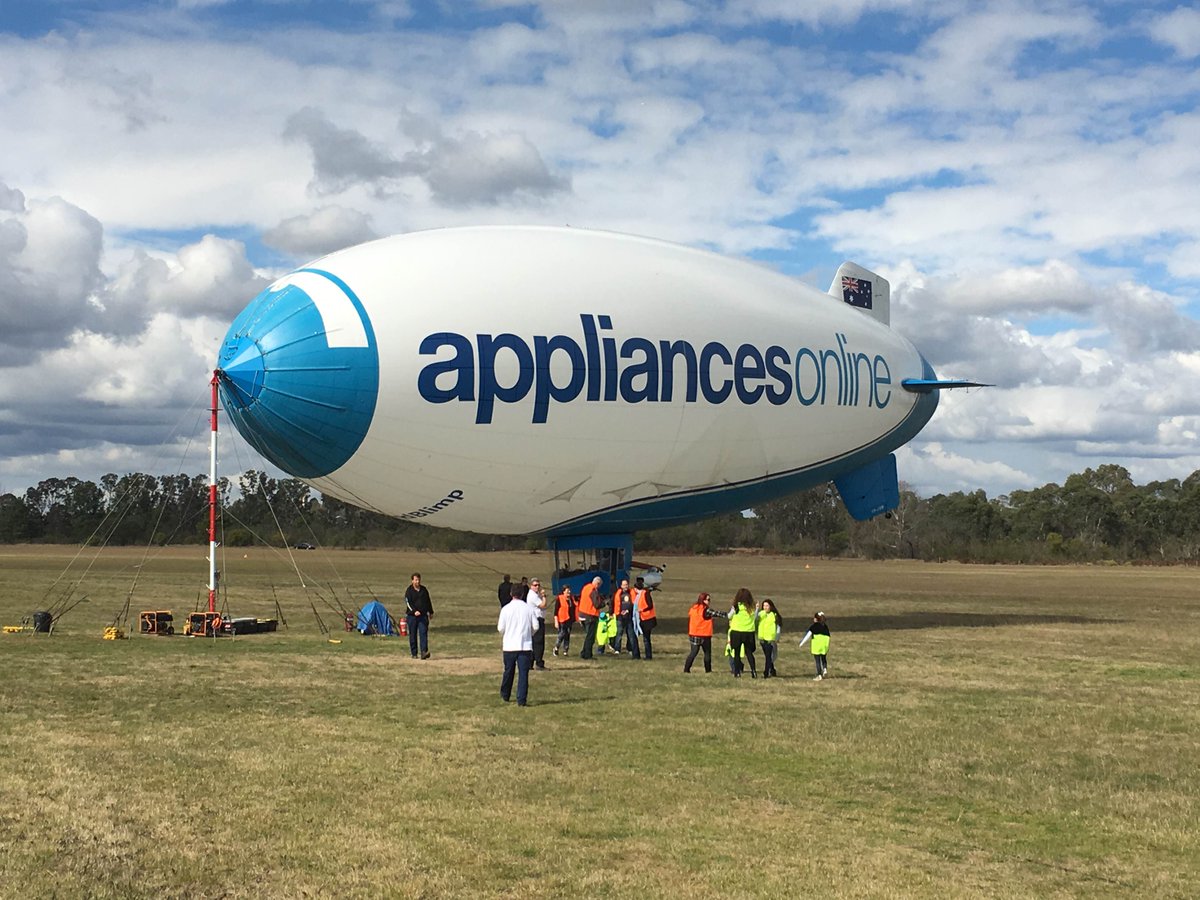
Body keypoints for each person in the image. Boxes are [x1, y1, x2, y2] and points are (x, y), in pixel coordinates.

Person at [497, 584, 541, 706]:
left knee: (508, 671)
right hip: (524, 646)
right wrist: (529, 634)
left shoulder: (506, 609)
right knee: (523, 674)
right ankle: (521, 699)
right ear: (522, 594)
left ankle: (505, 694)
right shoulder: (528, 609)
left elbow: (500, 628)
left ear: (511, 594)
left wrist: (507, 633)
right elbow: (536, 626)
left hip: (510, 646)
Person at [683, 592, 718, 673]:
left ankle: (686, 669)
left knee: (693, 652)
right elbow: (717, 614)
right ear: (703, 600)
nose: (709, 601)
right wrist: (728, 614)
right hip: (704, 634)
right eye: (708, 600)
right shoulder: (706, 610)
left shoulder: (693, 609)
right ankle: (708, 670)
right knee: (707, 653)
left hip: (694, 634)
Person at [727, 588, 758, 678]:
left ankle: (737, 672)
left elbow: (729, 616)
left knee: (736, 653)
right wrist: (756, 609)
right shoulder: (751, 607)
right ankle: (753, 671)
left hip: (737, 631)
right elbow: (755, 618)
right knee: (749, 653)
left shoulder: (736, 606)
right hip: (749, 632)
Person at [404, 572, 434, 659]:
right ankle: (414, 653)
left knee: (423, 633)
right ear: (412, 581)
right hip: (412, 616)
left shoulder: (424, 590)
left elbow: (428, 601)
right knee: (413, 634)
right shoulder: (409, 591)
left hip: (423, 616)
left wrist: (430, 612)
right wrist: (414, 611)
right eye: (416, 580)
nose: (418, 581)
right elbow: (408, 602)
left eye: (419, 580)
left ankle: (424, 652)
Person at [798, 611, 831, 680]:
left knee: (817, 660)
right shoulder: (825, 626)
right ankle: (825, 669)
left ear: (816, 619)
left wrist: (801, 643)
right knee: (823, 657)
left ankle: (819, 675)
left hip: (817, 645)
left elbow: (808, 636)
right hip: (824, 645)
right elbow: (828, 636)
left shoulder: (813, 626)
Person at [577, 576, 603, 659]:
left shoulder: (586, 587)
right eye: (599, 586)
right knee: (590, 637)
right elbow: (597, 604)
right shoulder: (593, 590)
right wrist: (604, 603)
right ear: (597, 584)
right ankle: (588, 655)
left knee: (588, 636)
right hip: (590, 615)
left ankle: (584, 653)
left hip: (582, 614)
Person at [612, 579, 640, 658]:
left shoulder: (631, 593)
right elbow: (613, 603)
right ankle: (617, 649)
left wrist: (628, 610)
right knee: (619, 633)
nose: (625, 586)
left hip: (629, 616)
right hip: (619, 617)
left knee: (630, 634)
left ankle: (630, 648)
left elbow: (634, 603)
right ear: (621, 586)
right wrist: (613, 613)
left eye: (626, 584)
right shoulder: (618, 594)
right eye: (624, 585)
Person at [757, 598, 783, 678]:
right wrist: (757, 609)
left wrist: (777, 637)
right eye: (764, 605)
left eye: (767, 605)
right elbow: (754, 619)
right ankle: (772, 670)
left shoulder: (774, 615)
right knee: (767, 656)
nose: (765, 607)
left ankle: (766, 673)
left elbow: (778, 627)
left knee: (768, 656)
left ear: (770, 606)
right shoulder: (761, 614)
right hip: (762, 638)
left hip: (770, 639)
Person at [527, 578, 548, 669]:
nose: (537, 587)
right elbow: (543, 605)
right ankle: (539, 663)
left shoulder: (535, 594)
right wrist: (544, 596)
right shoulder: (533, 596)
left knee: (533, 642)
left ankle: (530, 663)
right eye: (535, 585)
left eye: (538, 585)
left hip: (536, 619)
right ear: (531, 586)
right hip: (537, 620)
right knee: (539, 642)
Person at [634, 577, 656, 660]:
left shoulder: (645, 594)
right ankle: (646, 655)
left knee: (646, 639)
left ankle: (648, 656)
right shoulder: (641, 595)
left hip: (648, 619)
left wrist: (642, 610)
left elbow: (650, 605)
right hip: (643, 618)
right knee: (645, 638)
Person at [553, 585, 577, 657]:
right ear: (563, 592)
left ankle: (565, 650)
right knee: (562, 634)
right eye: (567, 591)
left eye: (569, 591)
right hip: (562, 620)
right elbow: (556, 612)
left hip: (569, 620)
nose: (569, 592)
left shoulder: (571, 599)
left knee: (568, 634)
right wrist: (556, 621)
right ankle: (556, 647)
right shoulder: (559, 598)